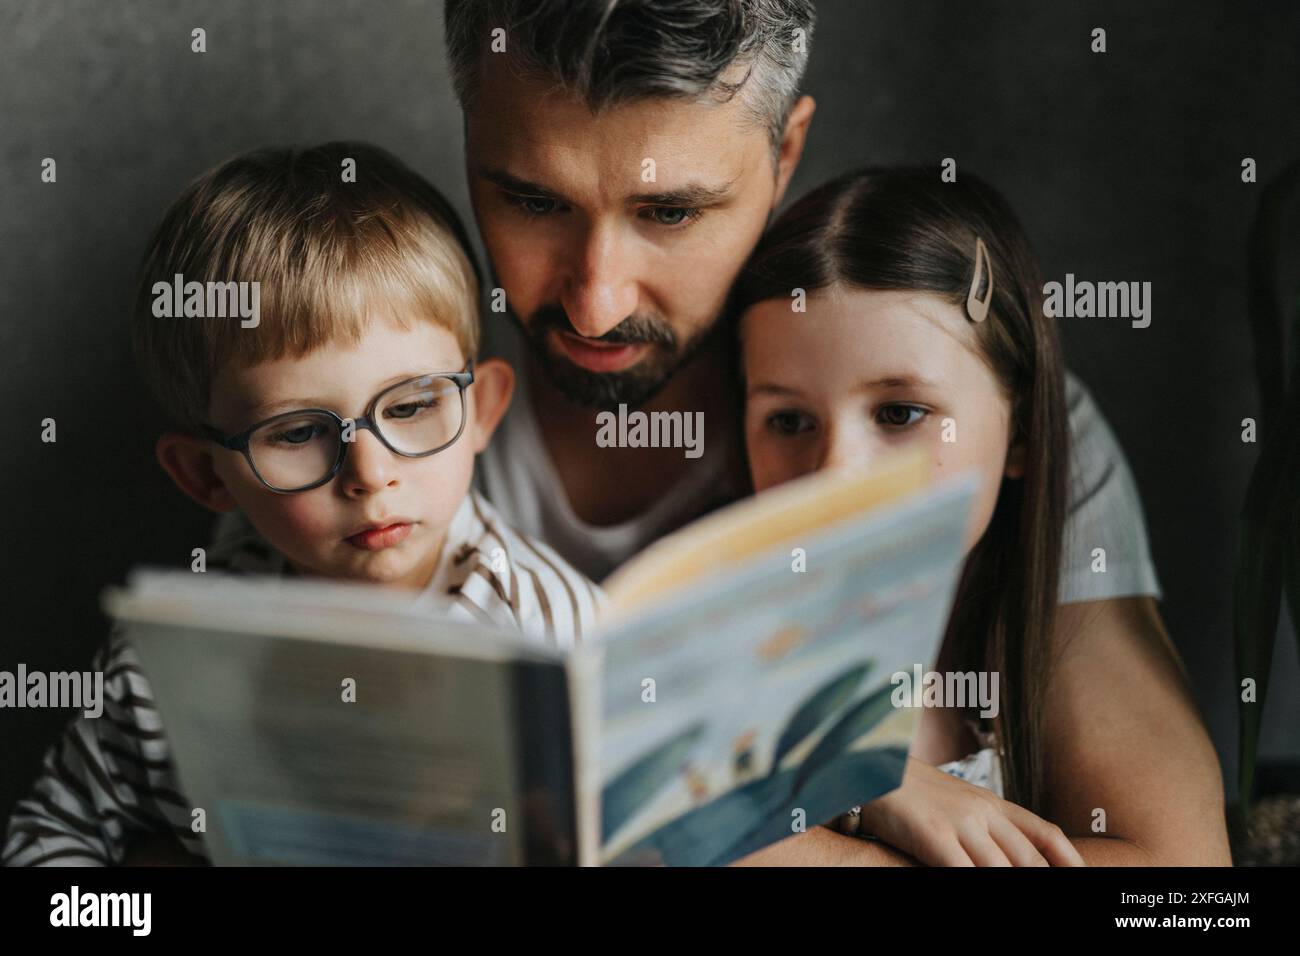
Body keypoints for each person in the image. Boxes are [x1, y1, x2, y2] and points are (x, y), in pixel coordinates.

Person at [2, 142, 599, 866]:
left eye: (411, 406)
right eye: (298, 432)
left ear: (482, 411)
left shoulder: (555, 629)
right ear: (207, 474)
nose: (370, 474)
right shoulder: (165, 662)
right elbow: (48, 843)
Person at [729, 167, 1231, 865]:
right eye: (788, 420)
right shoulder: (733, 661)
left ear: (1021, 436)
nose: (835, 475)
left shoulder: (1014, 640)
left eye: (901, 413)